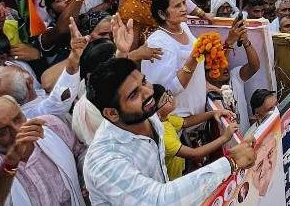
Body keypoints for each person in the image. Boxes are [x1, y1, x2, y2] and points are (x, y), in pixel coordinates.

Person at [82, 57, 256, 204]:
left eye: (144, 81)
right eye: (134, 94)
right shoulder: (104, 162)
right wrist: (230, 163)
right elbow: (158, 201)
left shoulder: (149, 115)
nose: (148, 92)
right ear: (112, 114)